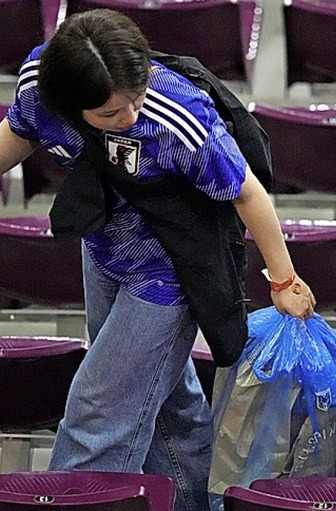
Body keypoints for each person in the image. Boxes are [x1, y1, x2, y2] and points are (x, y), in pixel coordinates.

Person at [0, 9, 316, 511]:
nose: (128, 117)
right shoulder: (41, 86)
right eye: (109, 114)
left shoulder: (177, 113)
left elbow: (247, 193)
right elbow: (16, 134)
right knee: (169, 408)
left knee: (98, 413)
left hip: (170, 269)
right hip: (104, 247)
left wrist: (283, 281)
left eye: (136, 99)